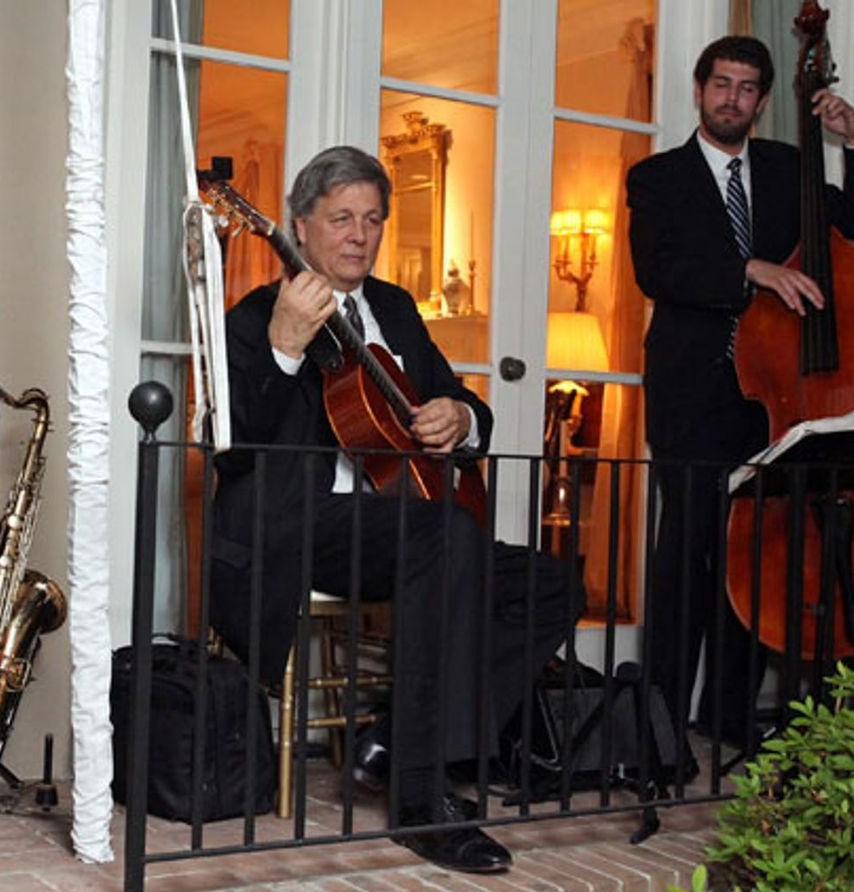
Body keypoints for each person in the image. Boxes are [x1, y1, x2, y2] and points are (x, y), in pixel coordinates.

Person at [208, 146, 581, 875]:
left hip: (401, 523)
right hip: (305, 523)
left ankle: (393, 735)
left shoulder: (397, 310)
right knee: (448, 534)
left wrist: (461, 418)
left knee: (551, 582)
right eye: (341, 218)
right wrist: (285, 348)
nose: (359, 233)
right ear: (301, 226)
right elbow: (234, 446)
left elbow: (462, 403)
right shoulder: (259, 314)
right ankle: (420, 798)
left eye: (372, 219)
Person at [626, 37, 854, 748]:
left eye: (747, 88)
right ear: (698, 89)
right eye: (721, 84)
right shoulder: (657, 178)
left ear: (764, 100)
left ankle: (733, 717)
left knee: (755, 561)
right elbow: (660, 270)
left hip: (773, 396)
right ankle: (658, 728)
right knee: (686, 558)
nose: (732, 98)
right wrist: (754, 269)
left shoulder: (788, 169)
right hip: (693, 395)